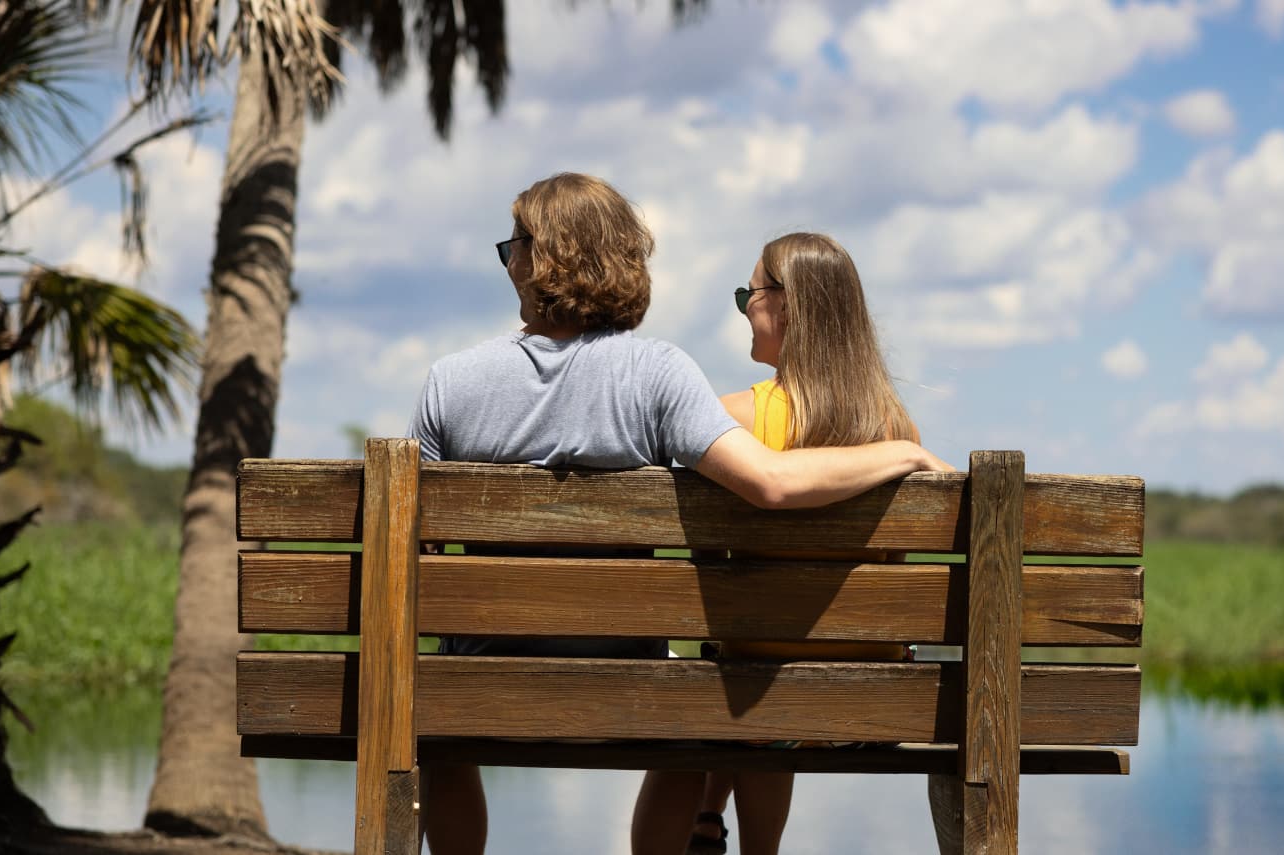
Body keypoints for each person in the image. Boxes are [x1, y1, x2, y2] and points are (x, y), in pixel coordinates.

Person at [407, 174, 951, 855]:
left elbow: (419, 558)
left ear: (535, 260)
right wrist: (903, 452)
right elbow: (772, 484)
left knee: (440, 713)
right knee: (691, 711)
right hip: (629, 682)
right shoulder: (659, 374)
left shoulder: (449, 383)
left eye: (511, 245)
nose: (508, 259)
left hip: (477, 685)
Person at [661, 232, 924, 855]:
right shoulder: (895, 429)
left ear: (789, 305)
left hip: (756, 702)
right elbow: (898, 567)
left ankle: (706, 818)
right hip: (869, 704)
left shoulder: (731, 421)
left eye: (747, 294)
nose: (744, 310)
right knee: (764, 668)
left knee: (744, 673)